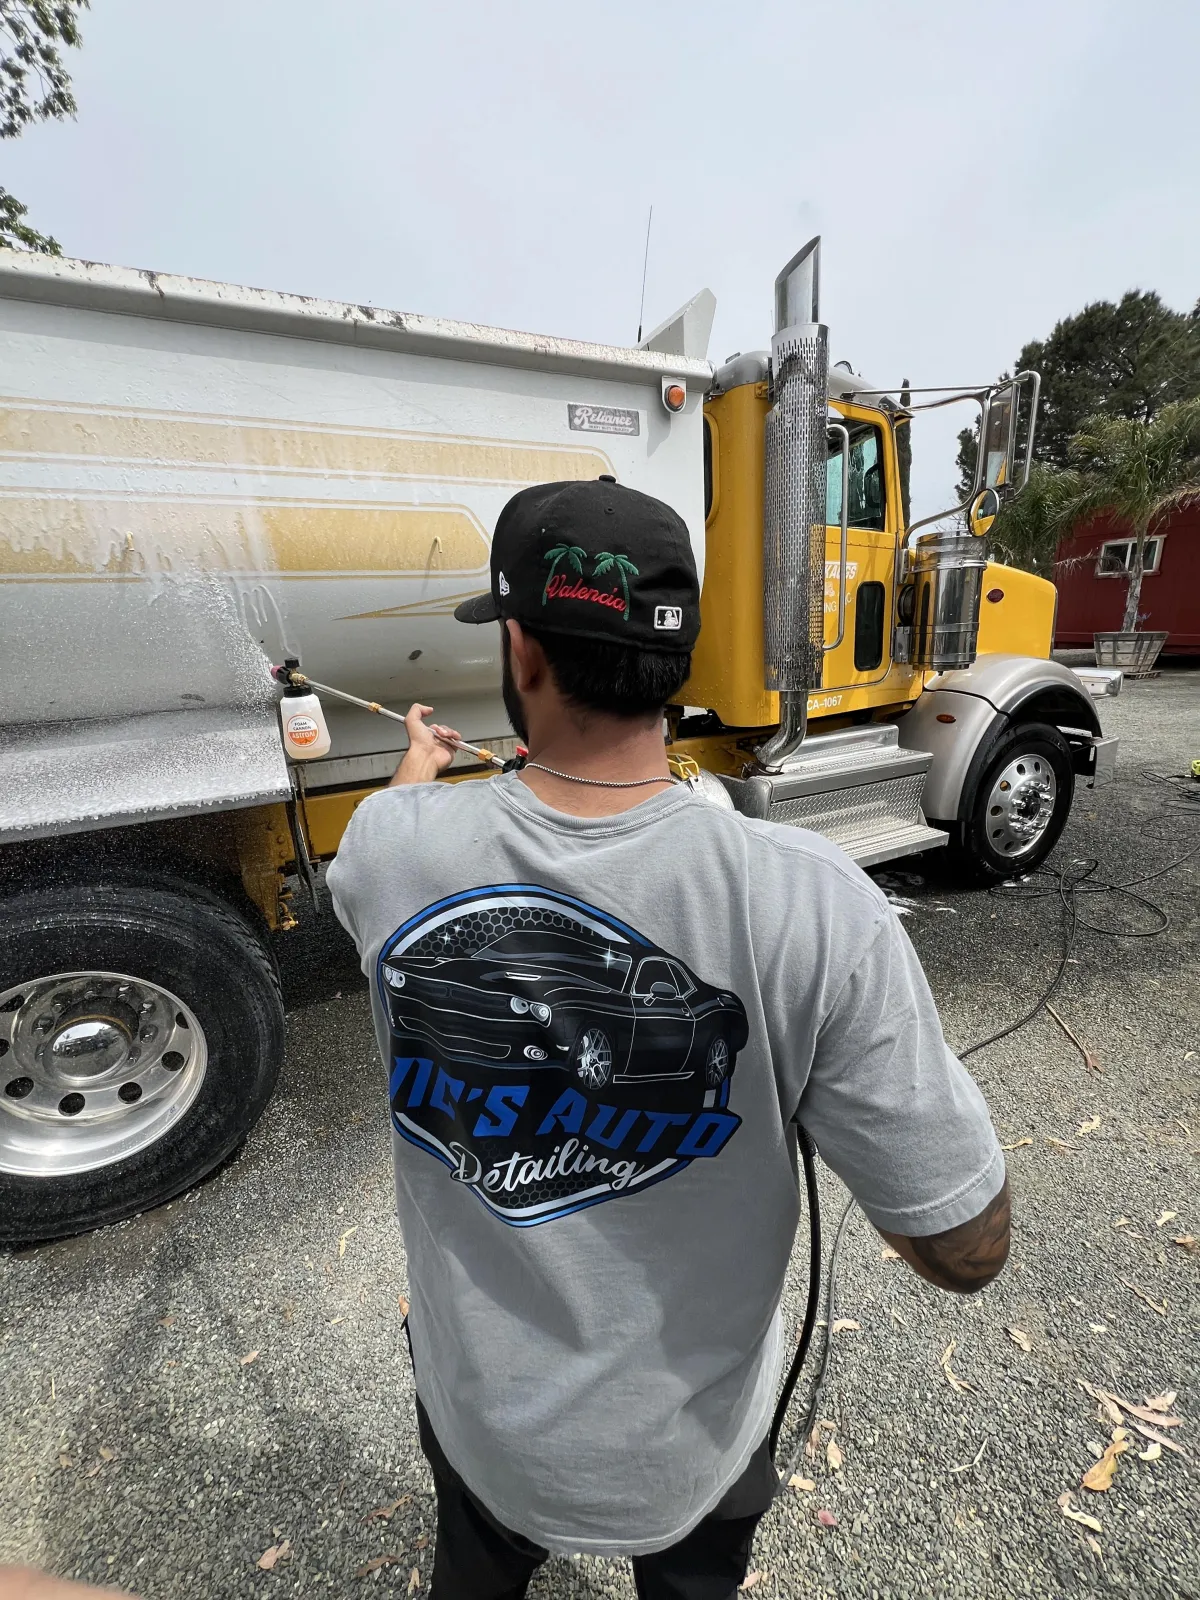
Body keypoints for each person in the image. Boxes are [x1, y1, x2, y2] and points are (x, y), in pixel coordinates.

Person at [327, 477, 1010, 1600]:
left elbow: (389, 847)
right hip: (688, 1449)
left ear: (523, 653)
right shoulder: (810, 899)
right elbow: (965, 1249)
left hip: (480, 1418)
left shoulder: (392, 848)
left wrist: (418, 766)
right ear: (676, 662)